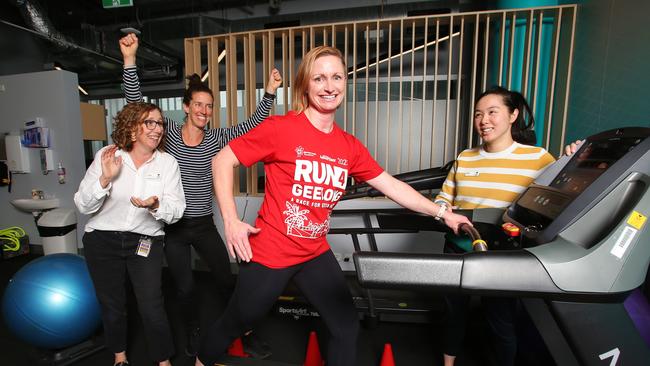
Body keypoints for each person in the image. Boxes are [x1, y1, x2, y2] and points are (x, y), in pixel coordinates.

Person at [195, 46, 472, 366]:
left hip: (313, 251)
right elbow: (222, 160)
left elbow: (392, 186)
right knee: (238, 322)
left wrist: (443, 214)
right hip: (271, 251)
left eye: (337, 77)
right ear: (306, 85)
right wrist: (231, 220)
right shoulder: (281, 129)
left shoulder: (348, 146)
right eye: (320, 78)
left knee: (345, 327)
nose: (329, 86)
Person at [119, 33, 282, 358]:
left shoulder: (216, 138)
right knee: (185, 289)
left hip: (204, 225)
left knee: (226, 280)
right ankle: (193, 331)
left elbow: (252, 125)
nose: (204, 111)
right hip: (175, 228)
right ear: (186, 107)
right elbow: (137, 105)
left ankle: (246, 331)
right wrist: (129, 61)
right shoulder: (167, 139)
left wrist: (269, 93)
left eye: (209, 106)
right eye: (199, 105)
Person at [434, 86, 558, 366]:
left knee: (500, 320)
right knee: (452, 313)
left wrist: (576, 156)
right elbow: (444, 197)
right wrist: (444, 211)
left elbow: (557, 197)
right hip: (459, 246)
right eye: (479, 114)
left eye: (492, 112)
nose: (484, 120)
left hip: (504, 254)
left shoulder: (538, 158)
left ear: (513, 115)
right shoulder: (466, 157)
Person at [74, 102, 186, 366]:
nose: (158, 129)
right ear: (133, 126)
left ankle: (163, 360)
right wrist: (104, 179)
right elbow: (82, 204)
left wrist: (155, 205)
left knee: (151, 304)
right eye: (151, 122)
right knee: (113, 304)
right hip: (102, 240)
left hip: (145, 240)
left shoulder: (167, 163)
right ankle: (119, 355)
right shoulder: (108, 155)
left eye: (160, 123)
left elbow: (177, 209)